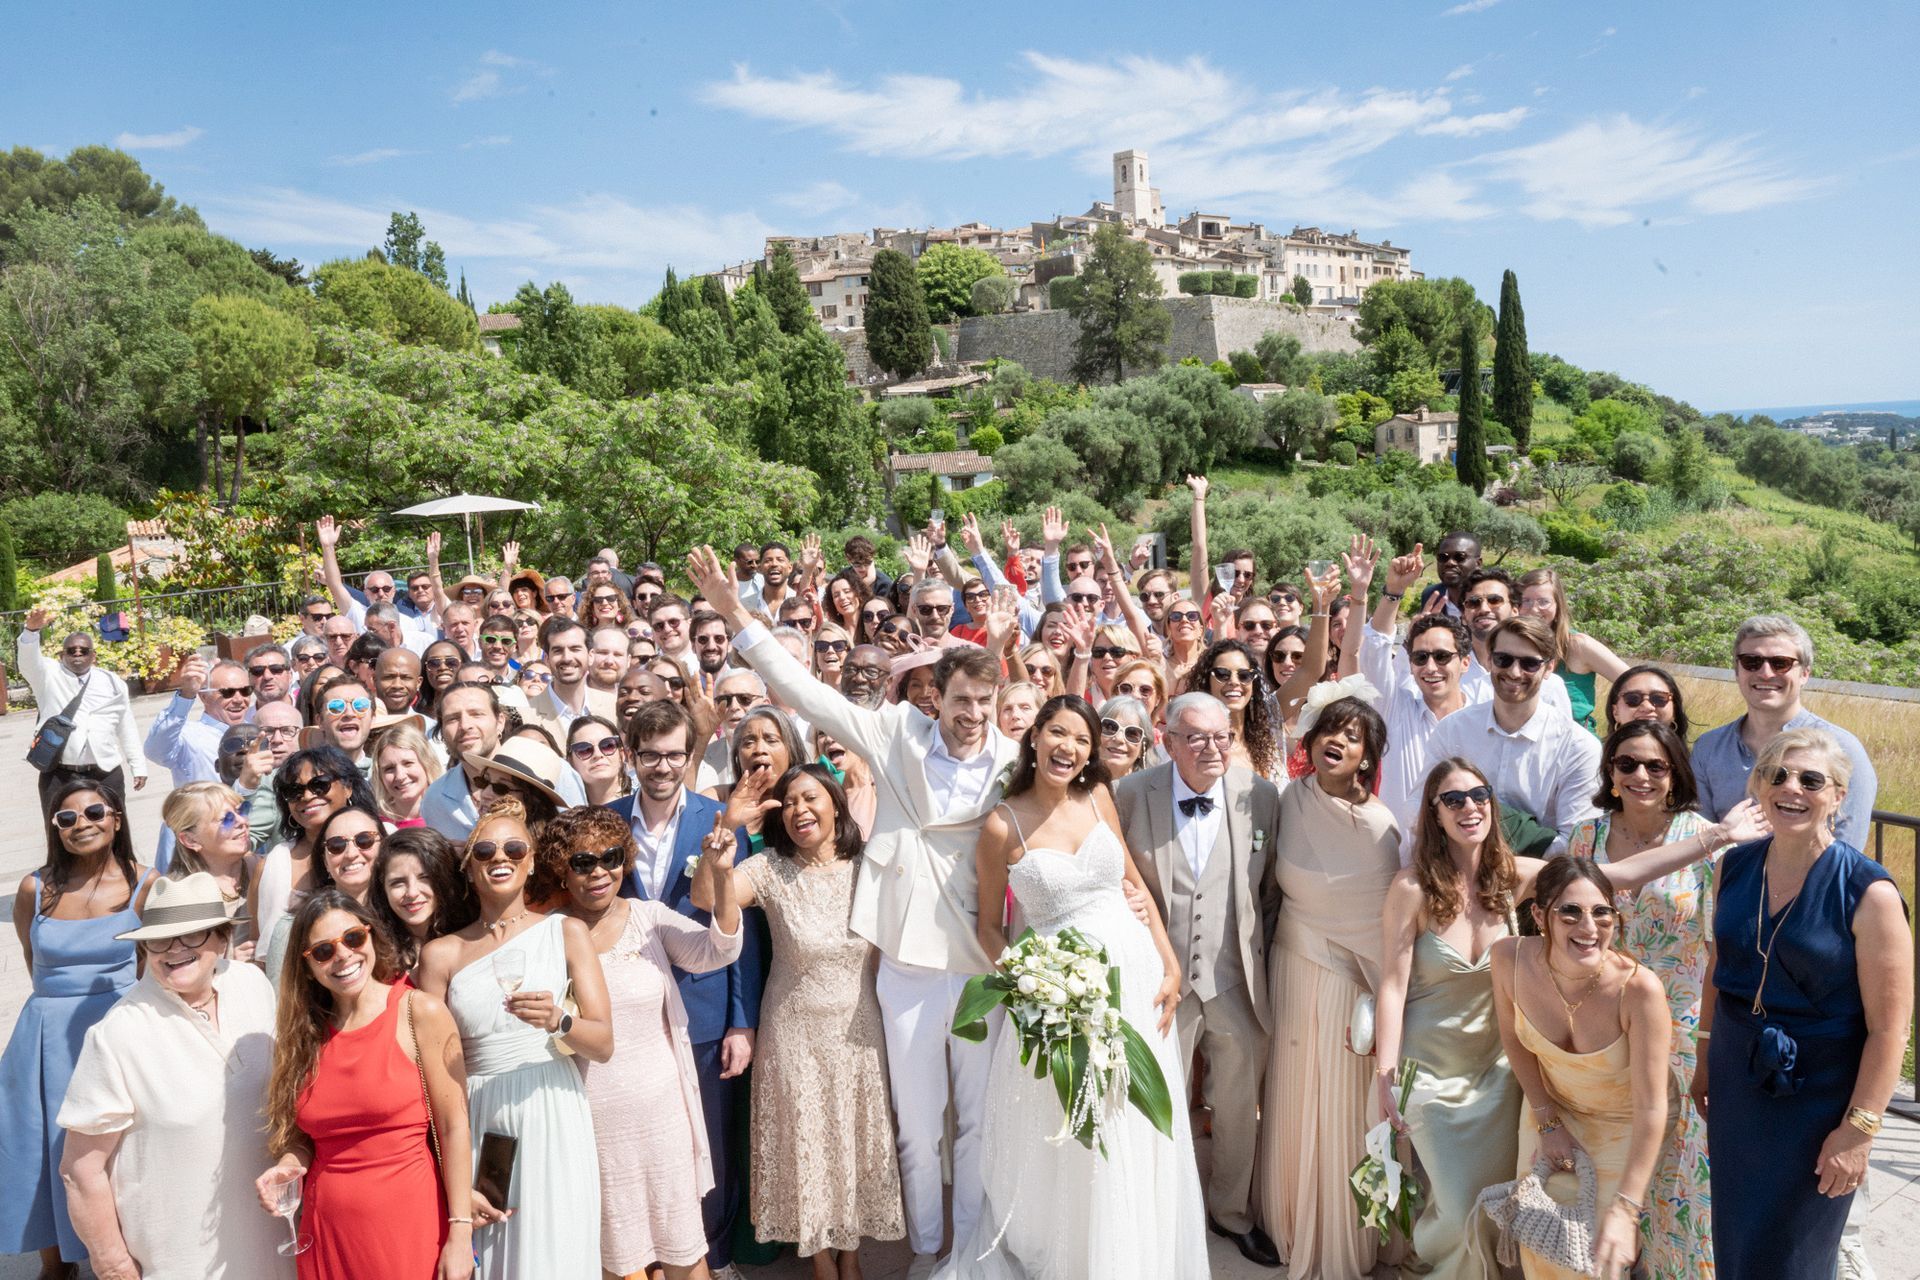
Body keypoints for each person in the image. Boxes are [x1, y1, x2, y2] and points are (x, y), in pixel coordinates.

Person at [689, 544, 1019, 1274]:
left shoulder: (1012, 760)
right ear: (936, 696)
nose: (971, 715)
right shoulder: (895, 733)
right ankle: (928, 1250)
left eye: (983, 703)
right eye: (959, 700)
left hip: (979, 962)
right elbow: (802, 690)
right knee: (914, 1128)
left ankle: (965, 1251)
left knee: (976, 1124)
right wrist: (732, 610)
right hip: (903, 960)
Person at [950, 696, 1204, 1278]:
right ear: (1035, 736)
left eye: (1082, 740)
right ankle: (1078, 1253)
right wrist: (1029, 984)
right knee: (1076, 1126)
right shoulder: (1002, 823)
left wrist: (1170, 968)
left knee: (1133, 1116)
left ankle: (1133, 1250)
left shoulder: (1098, 797)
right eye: (1058, 733)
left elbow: (1132, 884)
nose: (1069, 748)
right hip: (1059, 993)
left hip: (1133, 977)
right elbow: (990, 927)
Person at [1698, 728, 1912, 1279]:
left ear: (1838, 795)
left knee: (1796, 1255)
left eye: (1811, 779)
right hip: (1737, 1078)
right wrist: (1703, 1059)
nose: (1792, 788)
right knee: (1737, 1241)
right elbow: (1718, 972)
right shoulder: (1734, 865)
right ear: (1759, 786)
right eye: (1778, 775)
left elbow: (1889, 1030)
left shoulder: (1870, 893)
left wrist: (1858, 1130)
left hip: (1820, 1097)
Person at [693, 766, 907, 1277]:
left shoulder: (868, 867)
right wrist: (719, 849)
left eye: (810, 798)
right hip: (792, 1033)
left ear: (836, 803)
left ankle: (851, 1259)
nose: (798, 811)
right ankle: (821, 1264)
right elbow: (707, 898)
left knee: (851, 1143)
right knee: (806, 1146)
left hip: (859, 1031)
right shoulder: (769, 868)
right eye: (788, 803)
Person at [1109, 691, 1281, 1265]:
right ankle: (1157, 1215)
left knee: (1236, 1109)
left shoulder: (1260, 797)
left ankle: (1230, 1213)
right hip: (1159, 984)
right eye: (1198, 738)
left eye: (1222, 736)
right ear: (1168, 740)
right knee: (1154, 1106)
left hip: (1234, 982)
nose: (1213, 749)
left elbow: (1270, 892)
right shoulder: (1131, 795)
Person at [417, 799, 612, 1279]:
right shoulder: (441, 954)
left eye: (513, 848)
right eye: (484, 851)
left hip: (553, 1107)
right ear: (469, 869)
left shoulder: (566, 933)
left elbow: (604, 1043)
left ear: (530, 863)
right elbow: (430, 1067)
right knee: (499, 1254)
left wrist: (558, 1021)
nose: (499, 858)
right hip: (480, 1117)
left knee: (559, 1250)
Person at [57, 872, 287, 1280]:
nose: (175, 950)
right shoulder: (118, 1034)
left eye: (192, 936)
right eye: (160, 939)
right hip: (180, 1262)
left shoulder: (252, 984)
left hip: (275, 1246)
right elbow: (80, 1171)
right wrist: (112, 1264)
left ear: (221, 940)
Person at [546, 805, 742, 1280]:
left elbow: (721, 948)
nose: (599, 872)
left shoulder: (648, 918)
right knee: (615, 1256)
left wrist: (722, 877)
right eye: (582, 862)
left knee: (683, 1252)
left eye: (611, 857)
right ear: (561, 869)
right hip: (589, 1124)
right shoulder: (547, 934)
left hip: (662, 1118)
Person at [610, 700, 768, 1278]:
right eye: (650, 755)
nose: (662, 766)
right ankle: (650, 1258)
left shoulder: (719, 819)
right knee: (644, 1145)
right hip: (627, 1014)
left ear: (688, 754)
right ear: (632, 756)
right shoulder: (603, 819)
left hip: (703, 1008)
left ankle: (716, 1257)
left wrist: (741, 1020)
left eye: (674, 754)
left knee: (713, 1146)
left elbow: (739, 929)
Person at [257, 890, 476, 1280]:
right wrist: (291, 1164)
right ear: (307, 967)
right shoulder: (302, 1037)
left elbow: (454, 1124)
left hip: (408, 1226)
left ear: (371, 936)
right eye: (323, 951)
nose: (343, 955)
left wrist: (460, 1231)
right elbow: (304, 1137)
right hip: (327, 1231)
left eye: (353, 938)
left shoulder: (419, 1011)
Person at [1565, 722, 1720, 1278]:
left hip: (1676, 1037)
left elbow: (1716, 952)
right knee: (1601, 1179)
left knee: (1673, 1185)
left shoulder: (1705, 839)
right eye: (1627, 763)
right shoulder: (1583, 839)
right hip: (1600, 1035)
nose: (1641, 776)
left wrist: (1705, 1047)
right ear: (1610, 770)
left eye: (1656, 765)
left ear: (1675, 771)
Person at [1258, 693, 1399, 1280]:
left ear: (1367, 757)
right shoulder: (1289, 800)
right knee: (1290, 1095)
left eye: (1352, 736)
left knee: (1340, 1105)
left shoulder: (1380, 827)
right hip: (1290, 966)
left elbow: (1383, 925)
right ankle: (1285, 1220)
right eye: (1328, 730)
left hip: (1351, 983)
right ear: (1310, 741)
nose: (1336, 741)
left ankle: (1343, 1234)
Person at [1371, 763, 1528, 1280]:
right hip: (1429, 1071)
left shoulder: (1512, 878)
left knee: (1492, 1204)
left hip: (1499, 1072)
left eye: (1478, 795)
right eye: (1453, 799)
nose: (1469, 807)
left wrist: (1716, 839)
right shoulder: (1412, 887)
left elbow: (1612, 877)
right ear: (1434, 815)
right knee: (1459, 1205)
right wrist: (1385, 1073)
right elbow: (1392, 986)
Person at [1490, 857, 1675, 1280]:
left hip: (1629, 1119)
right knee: (1544, 1234)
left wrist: (1627, 1208)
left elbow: (1652, 1108)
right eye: (1569, 911)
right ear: (1539, 915)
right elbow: (1515, 1042)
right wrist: (1547, 1120)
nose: (1588, 928)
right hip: (1551, 1104)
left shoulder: (1639, 990)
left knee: (1598, 1251)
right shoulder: (1507, 959)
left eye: (1601, 912)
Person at [0, 783, 153, 1277]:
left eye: (92, 812)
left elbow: (154, 966)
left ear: (115, 819)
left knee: (121, 1145)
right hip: (45, 1040)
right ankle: (56, 1261)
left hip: (119, 1032)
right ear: (55, 829)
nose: (80, 823)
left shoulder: (146, 883)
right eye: (65, 818)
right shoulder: (34, 888)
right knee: (45, 1149)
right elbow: (33, 959)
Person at [1691, 615, 1878, 850]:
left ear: (1805, 674)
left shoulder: (1843, 748)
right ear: (1737, 670)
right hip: (1727, 883)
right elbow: (1702, 839)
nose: (1766, 673)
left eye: (1781, 663)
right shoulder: (1709, 748)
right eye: (1751, 661)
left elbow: (1847, 848)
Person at [1428, 616, 1601, 854]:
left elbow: (1575, 842)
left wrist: (1497, 862)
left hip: (1539, 880)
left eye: (1530, 663)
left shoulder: (1579, 747)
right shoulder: (1452, 731)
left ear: (1549, 667)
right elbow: (1422, 808)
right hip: (1457, 871)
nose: (1514, 672)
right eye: (1504, 659)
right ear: (1489, 659)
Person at [251, 747, 377, 973]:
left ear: (348, 787)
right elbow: (261, 949)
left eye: (319, 785)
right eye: (294, 791)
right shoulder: (274, 863)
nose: (307, 797)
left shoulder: (380, 839)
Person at [17, 608, 147, 817]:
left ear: (93, 656)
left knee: (113, 833)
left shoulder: (112, 682)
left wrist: (138, 766)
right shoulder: (48, 675)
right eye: (71, 650)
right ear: (62, 655)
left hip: (105, 772)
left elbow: (126, 726)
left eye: (83, 650)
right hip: (59, 774)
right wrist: (31, 631)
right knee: (61, 836)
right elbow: (27, 662)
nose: (77, 653)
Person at [1517, 567, 1629, 733]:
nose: (1533, 609)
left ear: (1557, 606)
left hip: (1576, 750)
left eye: (1543, 602)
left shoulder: (1578, 645)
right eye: (1525, 600)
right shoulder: (1506, 649)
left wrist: (1620, 728)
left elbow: (1636, 681)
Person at [162, 781, 259, 959]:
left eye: (242, 810)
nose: (241, 822)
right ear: (191, 841)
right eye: (227, 820)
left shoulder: (264, 867)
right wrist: (227, 961)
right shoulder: (177, 899)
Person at [373, 826, 473, 983]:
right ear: (382, 889)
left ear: (444, 879)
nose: (412, 892)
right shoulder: (374, 954)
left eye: (425, 877)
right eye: (398, 883)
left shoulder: (476, 937)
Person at [144, 655, 255, 787]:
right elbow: (155, 751)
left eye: (245, 691)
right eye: (228, 692)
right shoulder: (188, 737)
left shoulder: (258, 732)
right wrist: (186, 696)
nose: (238, 699)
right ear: (204, 697)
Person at [373, 721, 443, 827]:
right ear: (380, 776)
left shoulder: (450, 815)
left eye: (408, 763)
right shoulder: (374, 826)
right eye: (389, 769)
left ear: (426, 763)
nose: (400, 776)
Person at [1603, 663, 1691, 740]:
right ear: (1615, 712)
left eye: (1659, 699)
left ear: (1674, 710)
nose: (1647, 707)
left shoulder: (1696, 757)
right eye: (1633, 699)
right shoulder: (1595, 757)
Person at [566, 713, 631, 806]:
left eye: (607, 745)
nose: (597, 754)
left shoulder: (645, 801)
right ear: (570, 762)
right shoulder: (566, 814)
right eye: (584, 749)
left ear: (622, 755)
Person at [1097, 695, 1154, 775]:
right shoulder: (1074, 782)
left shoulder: (1155, 786)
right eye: (1110, 727)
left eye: (1131, 733)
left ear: (1142, 749)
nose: (1119, 738)